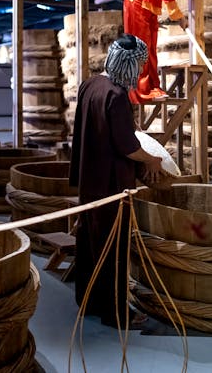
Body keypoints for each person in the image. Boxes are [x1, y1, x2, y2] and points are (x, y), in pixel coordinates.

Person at [69, 33, 165, 328]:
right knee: (114, 250)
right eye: (139, 66)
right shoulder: (116, 95)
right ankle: (116, 314)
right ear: (129, 65)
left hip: (89, 182)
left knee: (89, 243)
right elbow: (127, 146)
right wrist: (152, 160)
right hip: (111, 187)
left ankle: (88, 302)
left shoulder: (90, 85)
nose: (140, 72)